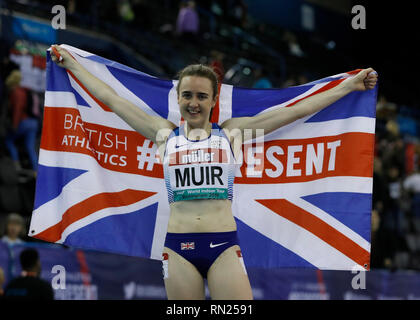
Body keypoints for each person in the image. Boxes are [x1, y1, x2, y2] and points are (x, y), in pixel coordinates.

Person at [50, 45, 378, 299]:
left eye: (202, 97)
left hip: (222, 246)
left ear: (213, 100)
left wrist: (348, 86)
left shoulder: (232, 133)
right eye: (188, 96)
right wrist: (73, 65)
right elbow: (110, 98)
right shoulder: (164, 134)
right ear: (178, 98)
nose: (194, 103)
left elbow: (295, 110)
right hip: (178, 248)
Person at [4, 69, 39, 172]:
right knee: (30, 146)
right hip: (34, 122)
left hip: (24, 122)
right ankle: (35, 171)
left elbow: (17, 110)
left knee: (8, 140)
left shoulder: (16, 92)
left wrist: (15, 125)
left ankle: (16, 166)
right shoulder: (25, 90)